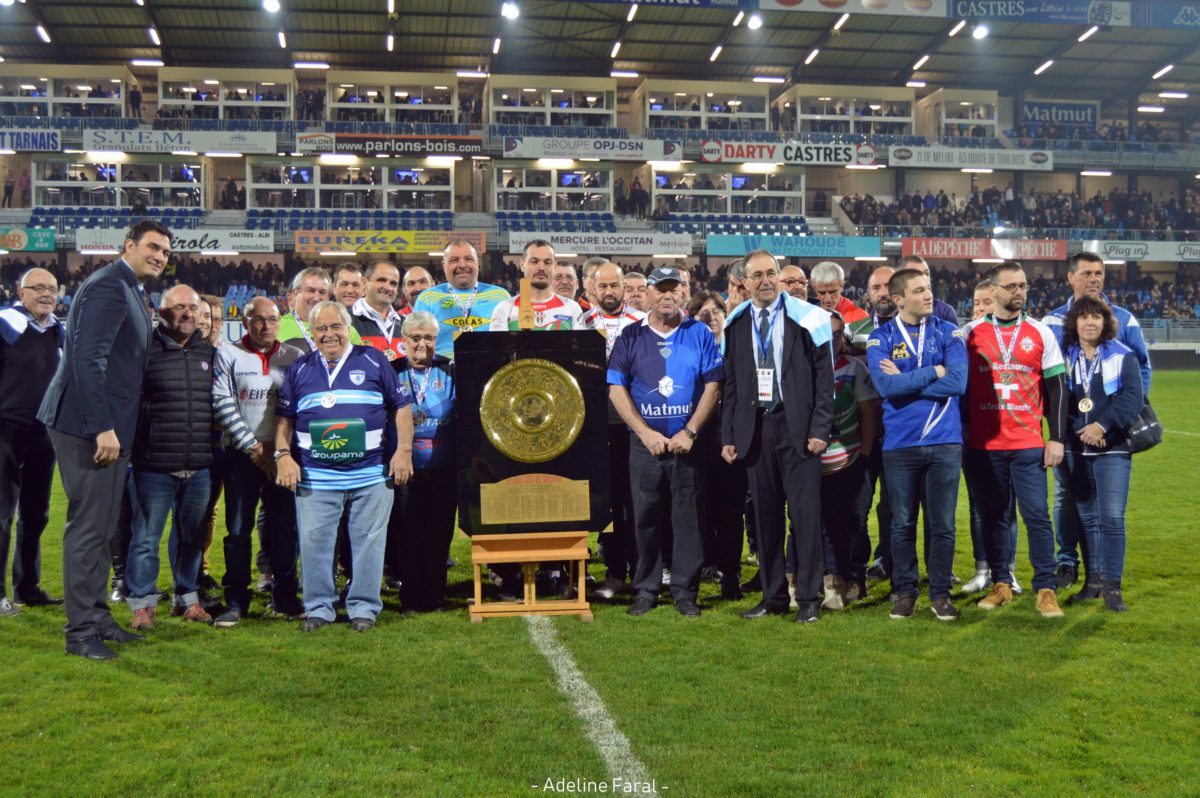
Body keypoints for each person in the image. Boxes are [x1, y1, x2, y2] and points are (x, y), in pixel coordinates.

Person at [38, 220, 169, 660]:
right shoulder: (109, 285)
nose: (160, 256)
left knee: (100, 527)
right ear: (128, 245)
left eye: (166, 251)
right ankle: (80, 634)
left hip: (105, 426)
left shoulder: (127, 286)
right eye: (152, 247)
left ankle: (96, 618)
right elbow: (86, 359)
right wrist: (102, 426)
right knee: (89, 529)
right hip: (87, 427)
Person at [275, 301, 414, 632]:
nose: (329, 334)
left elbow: (402, 406)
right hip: (316, 478)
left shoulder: (373, 359)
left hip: (370, 475)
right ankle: (319, 607)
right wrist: (283, 454)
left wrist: (403, 450)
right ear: (311, 333)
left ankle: (363, 606)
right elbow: (285, 419)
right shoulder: (300, 369)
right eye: (321, 329)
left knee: (368, 542)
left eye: (335, 326)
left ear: (347, 328)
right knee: (314, 543)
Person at [722, 250, 834, 624]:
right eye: (758, 276)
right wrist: (730, 434)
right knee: (765, 516)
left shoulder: (810, 318)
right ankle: (772, 596)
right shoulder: (736, 323)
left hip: (798, 428)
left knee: (805, 516)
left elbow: (825, 380)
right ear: (745, 283)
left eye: (772, 273)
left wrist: (820, 429)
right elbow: (733, 385)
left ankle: (809, 599)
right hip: (756, 428)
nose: (766, 280)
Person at [608, 267, 723, 618]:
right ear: (648, 293)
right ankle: (645, 588)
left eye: (674, 289)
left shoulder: (699, 333)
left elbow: (713, 386)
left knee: (688, 519)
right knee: (644, 519)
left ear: (683, 294)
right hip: (645, 446)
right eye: (661, 289)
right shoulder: (630, 336)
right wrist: (645, 433)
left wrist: (689, 432)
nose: (668, 296)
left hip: (687, 445)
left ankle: (685, 591)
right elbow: (616, 388)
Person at [962, 262, 1068, 619]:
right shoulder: (971, 332)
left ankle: (1045, 589)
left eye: (1022, 286)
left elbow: (1056, 387)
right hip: (985, 444)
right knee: (994, 516)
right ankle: (1001, 584)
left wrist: (1056, 438)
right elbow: (960, 389)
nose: (1018, 292)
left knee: (1037, 516)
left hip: (1027, 443)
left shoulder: (1041, 333)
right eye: (1010, 287)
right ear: (993, 292)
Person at [1043, 251, 1151, 588]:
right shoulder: (1050, 321)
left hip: (1111, 431)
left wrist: (1118, 420)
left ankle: (1104, 576)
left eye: (1100, 273)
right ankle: (1067, 561)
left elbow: (1141, 370)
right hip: (1070, 431)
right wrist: (1066, 427)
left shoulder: (1124, 319)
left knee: (1105, 508)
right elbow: (1049, 379)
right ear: (1070, 277)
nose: (1095, 279)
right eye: (1087, 273)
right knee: (1067, 499)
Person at [866, 268, 967, 621]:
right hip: (900, 445)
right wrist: (932, 372)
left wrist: (908, 381)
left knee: (942, 524)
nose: (929, 296)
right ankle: (905, 591)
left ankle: (940, 594)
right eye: (920, 290)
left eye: (929, 289)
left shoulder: (949, 332)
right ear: (898, 299)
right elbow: (886, 388)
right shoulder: (878, 339)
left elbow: (957, 383)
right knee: (901, 523)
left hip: (945, 442)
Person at [123, 285, 217, 630]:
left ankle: (187, 599)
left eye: (193, 307)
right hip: (153, 465)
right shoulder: (142, 351)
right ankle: (142, 604)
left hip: (199, 465)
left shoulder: (208, 352)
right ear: (163, 313)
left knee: (191, 536)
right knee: (146, 537)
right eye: (179, 308)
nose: (188, 314)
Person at [210, 297, 305, 627]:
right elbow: (222, 402)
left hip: (283, 456)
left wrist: (278, 451)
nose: (266, 326)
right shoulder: (229, 354)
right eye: (258, 320)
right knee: (238, 530)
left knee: (284, 529)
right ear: (246, 321)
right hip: (242, 456)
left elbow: (299, 408)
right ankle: (236, 600)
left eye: (272, 319)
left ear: (281, 321)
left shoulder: (294, 357)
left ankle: (286, 597)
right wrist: (253, 447)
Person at [1059, 297, 1142, 612]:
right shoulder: (1066, 356)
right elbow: (1057, 399)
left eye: (1096, 317)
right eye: (1083, 317)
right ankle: (1092, 582)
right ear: (1075, 323)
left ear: (1106, 322)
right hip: (1076, 448)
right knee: (1087, 518)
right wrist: (1074, 431)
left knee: (1111, 517)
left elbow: (1132, 398)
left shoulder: (1123, 356)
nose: (1090, 322)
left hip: (1113, 448)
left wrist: (1102, 426)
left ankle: (1113, 587)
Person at [0, 268, 64, 616]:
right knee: (1, 515)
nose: (45, 294)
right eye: (37, 288)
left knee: (36, 514)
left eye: (51, 289)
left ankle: (27, 588)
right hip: (5, 430)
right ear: (19, 292)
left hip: (43, 432)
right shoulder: (4, 325)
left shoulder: (57, 331)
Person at [581, 262, 645, 601]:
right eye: (602, 286)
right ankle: (616, 572)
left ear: (624, 287)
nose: (608, 292)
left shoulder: (640, 322)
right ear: (592, 287)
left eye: (614, 286)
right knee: (607, 504)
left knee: (637, 502)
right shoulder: (581, 322)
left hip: (633, 425)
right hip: (595, 427)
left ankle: (643, 571)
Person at [389, 312, 457, 612]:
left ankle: (435, 595)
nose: (422, 344)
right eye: (415, 337)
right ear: (404, 341)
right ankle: (410, 597)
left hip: (444, 468)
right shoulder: (390, 371)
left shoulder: (450, 371)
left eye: (428, 337)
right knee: (408, 534)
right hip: (406, 471)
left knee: (439, 534)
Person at [687, 290, 748, 600]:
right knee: (699, 510)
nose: (710, 317)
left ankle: (731, 575)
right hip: (697, 440)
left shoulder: (737, 349)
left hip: (729, 441)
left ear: (726, 316)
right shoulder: (686, 350)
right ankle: (701, 569)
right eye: (702, 313)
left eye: (716, 312)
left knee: (730, 510)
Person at [818, 311, 880, 609]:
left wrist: (865, 455)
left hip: (851, 457)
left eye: (838, 334)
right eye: (827, 334)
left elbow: (869, 413)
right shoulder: (805, 367)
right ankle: (827, 578)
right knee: (822, 523)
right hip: (816, 463)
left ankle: (856, 576)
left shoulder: (854, 367)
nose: (833, 340)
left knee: (854, 520)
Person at [412, 239, 510, 359]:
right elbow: (416, 347)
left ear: (477, 262)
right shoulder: (427, 299)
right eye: (454, 260)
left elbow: (510, 345)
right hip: (442, 374)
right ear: (444, 266)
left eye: (468, 259)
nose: (462, 265)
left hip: (490, 372)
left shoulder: (500, 296)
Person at [489, 240, 586, 330]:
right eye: (534, 262)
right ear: (522, 265)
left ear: (554, 267)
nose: (541, 268)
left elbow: (580, 348)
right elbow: (498, 348)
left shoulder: (572, 308)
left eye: (547, 262)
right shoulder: (504, 309)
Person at [278, 267, 363, 353]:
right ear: (296, 294)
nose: (316, 298)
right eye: (311, 291)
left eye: (322, 292)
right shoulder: (276, 328)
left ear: (328, 297)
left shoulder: (346, 330)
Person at [351, 260, 404, 360]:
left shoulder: (406, 324)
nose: (388, 287)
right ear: (364, 283)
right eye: (381, 280)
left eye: (393, 283)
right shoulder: (347, 321)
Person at [896, 255, 959, 326]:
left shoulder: (945, 312)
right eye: (915, 274)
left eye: (926, 273)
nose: (924, 278)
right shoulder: (890, 311)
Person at [810, 261, 868, 327]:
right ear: (814, 288)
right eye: (822, 293)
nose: (828, 299)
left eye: (832, 292)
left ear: (842, 285)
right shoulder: (805, 316)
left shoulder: (861, 318)